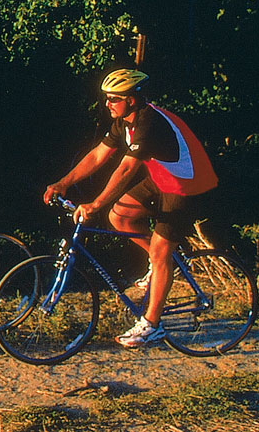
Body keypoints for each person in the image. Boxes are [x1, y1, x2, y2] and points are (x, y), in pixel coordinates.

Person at [43, 68, 218, 348]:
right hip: (162, 179)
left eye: (114, 98)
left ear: (132, 100)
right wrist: (63, 182)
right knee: (120, 216)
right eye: (107, 98)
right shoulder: (124, 121)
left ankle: (152, 324)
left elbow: (126, 169)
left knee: (161, 251)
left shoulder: (149, 123)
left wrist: (96, 203)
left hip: (187, 185)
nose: (107, 103)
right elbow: (98, 154)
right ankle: (163, 265)